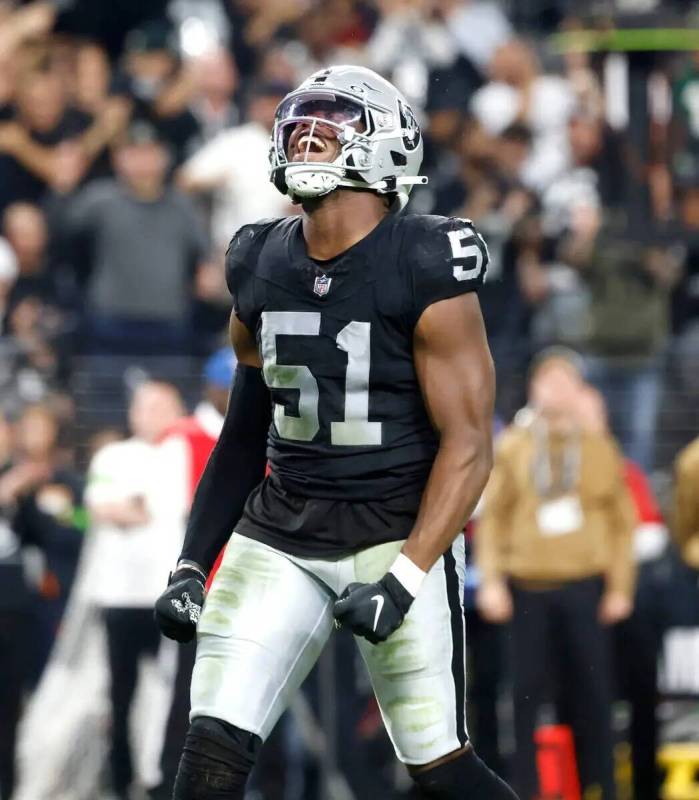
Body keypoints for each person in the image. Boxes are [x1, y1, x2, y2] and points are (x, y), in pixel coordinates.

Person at [155, 64, 518, 800]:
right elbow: (243, 431)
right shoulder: (258, 256)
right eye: (300, 122)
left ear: (388, 147)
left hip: (393, 529)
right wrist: (193, 563)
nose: (308, 135)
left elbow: (470, 444)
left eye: (333, 122)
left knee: (439, 768)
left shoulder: (423, 261)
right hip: (281, 531)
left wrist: (408, 573)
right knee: (208, 759)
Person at [475, 349, 637, 800]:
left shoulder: (599, 447)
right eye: (547, 382)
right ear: (533, 389)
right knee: (524, 700)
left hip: (586, 589)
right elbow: (493, 520)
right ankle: (523, 791)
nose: (556, 391)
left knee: (594, 698)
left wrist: (621, 587)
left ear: (581, 390)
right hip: (527, 590)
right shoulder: (515, 446)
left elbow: (624, 525)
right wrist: (490, 581)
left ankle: (600, 787)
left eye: (566, 382)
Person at [84, 381, 184, 800]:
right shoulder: (113, 455)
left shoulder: (183, 455)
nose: (153, 414)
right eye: (146, 406)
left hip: (172, 596)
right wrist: (132, 509)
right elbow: (102, 506)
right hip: (122, 596)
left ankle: (163, 778)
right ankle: (122, 780)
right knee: (120, 694)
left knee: (171, 695)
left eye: (163, 406)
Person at [149, 349, 235, 800]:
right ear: (214, 388)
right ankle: (167, 784)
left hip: (243, 587)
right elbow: (168, 519)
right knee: (186, 694)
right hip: (195, 588)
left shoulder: (262, 435)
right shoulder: (181, 439)